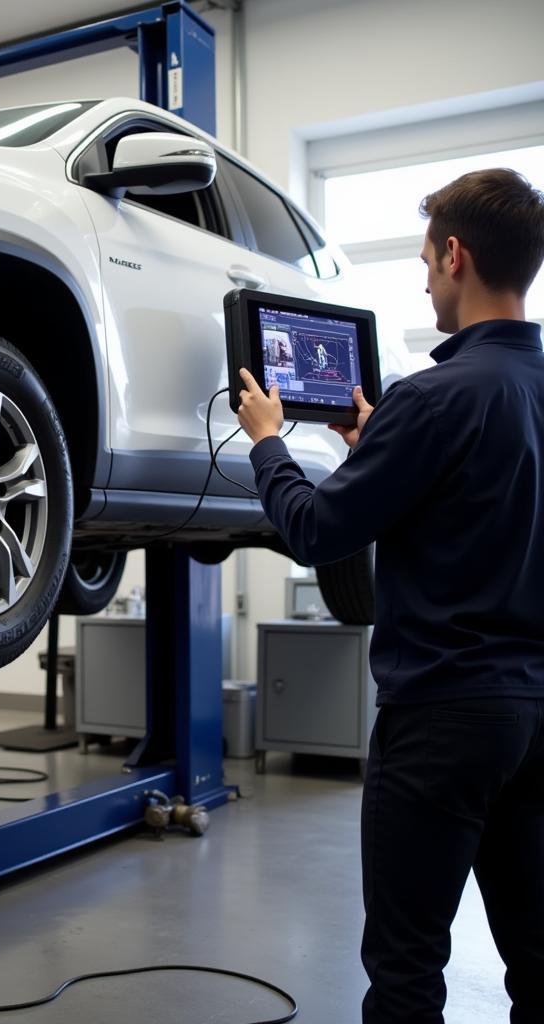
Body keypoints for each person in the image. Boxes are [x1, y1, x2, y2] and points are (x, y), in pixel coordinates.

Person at [235, 168, 544, 1024]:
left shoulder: (434, 397)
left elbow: (313, 530)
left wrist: (269, 443)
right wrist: (384, 446)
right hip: (536, 714)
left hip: (444, 717)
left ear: (456, 255)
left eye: (424, 260)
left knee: (407, 967)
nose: (423, 279)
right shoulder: (515, 390)